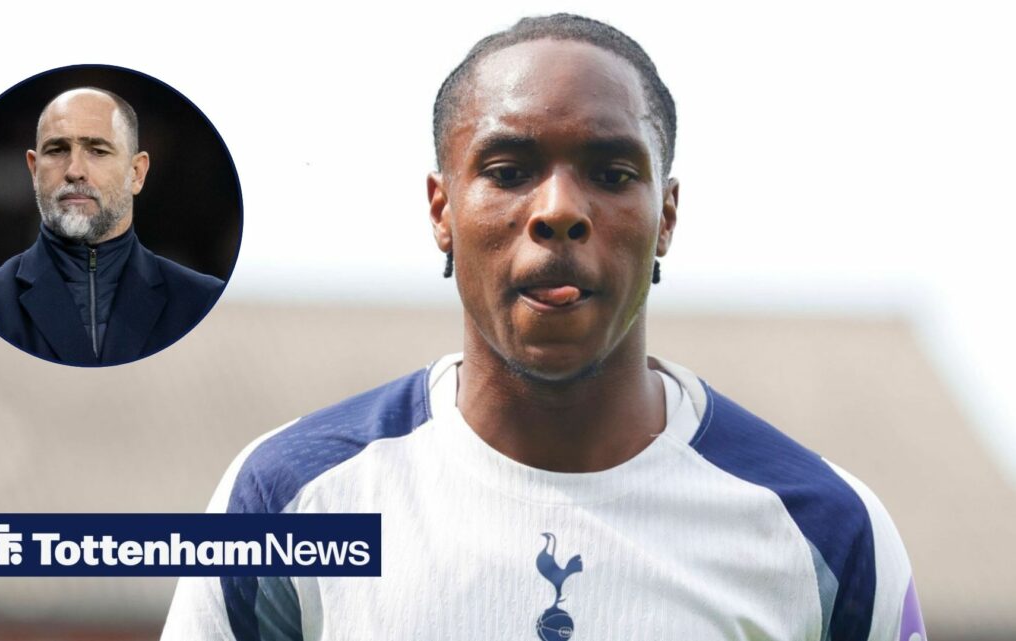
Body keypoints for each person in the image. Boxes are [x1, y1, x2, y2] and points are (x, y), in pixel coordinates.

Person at [163, 14, 927, 641]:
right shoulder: (291, 498)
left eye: (612, 172)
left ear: (666, 215)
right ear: (442, 210)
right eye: (507, 169)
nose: (558, 209)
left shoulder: (826, 530)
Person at [0, 87, 224, 367]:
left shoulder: (202, 302)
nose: (74, 170)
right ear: (34, 170)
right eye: (57, 150)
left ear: (137, 173)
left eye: (97, 150)